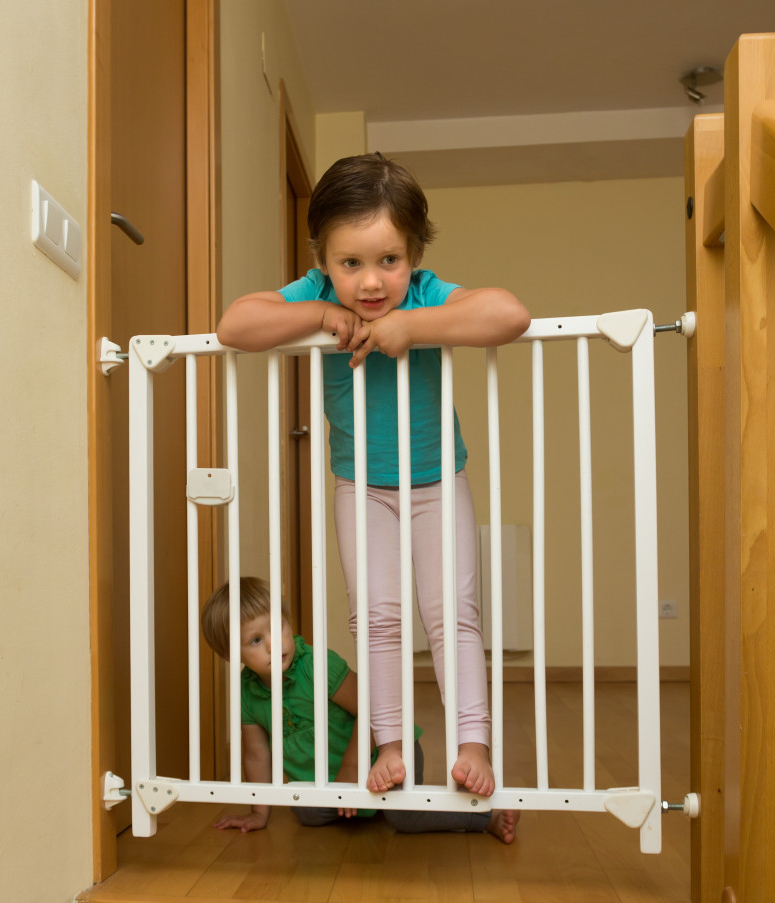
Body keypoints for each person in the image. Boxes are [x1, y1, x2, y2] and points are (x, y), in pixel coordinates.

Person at [217, 153, 530, 798]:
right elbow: (234, 324)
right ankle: (388, 743)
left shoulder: (423, 297)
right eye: (349, 263)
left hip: (440, 478)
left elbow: (508, 314)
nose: (369, 283)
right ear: (322, 260)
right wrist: (317, 317)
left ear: (414, 253)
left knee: (454, 616)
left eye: (389, 260)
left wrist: (412, 326)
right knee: (377, 618)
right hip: (361, 487)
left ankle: (473, 742)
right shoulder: (315, 297)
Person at [200, 577, 519, 843]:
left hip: (384, 752)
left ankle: (482, 817)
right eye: (255, 640)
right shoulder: (247, 693)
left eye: (276, 627)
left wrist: (353, 766)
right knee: (305, 811)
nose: (273, 644)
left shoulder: (316, 666)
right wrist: (258, 812)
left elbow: (373, 705)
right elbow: (257, 756)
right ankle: (365, 803)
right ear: (230, 655)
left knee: (403, 817)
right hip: (332, 780)